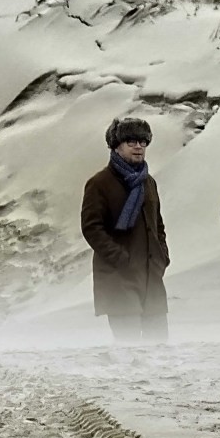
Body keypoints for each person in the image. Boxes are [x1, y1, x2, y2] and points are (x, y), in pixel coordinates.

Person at [80, 117, 170, 343]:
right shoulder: (100, 183)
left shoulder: (148, 182)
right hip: (118, 278)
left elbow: (157, 224)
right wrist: (121, 259)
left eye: (143, 141)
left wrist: (162, 256)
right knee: (128, 352)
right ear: (116, 145)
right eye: (131, 141)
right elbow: (92, 229)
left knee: (159, 349)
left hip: (151, 277)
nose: (138, 146)